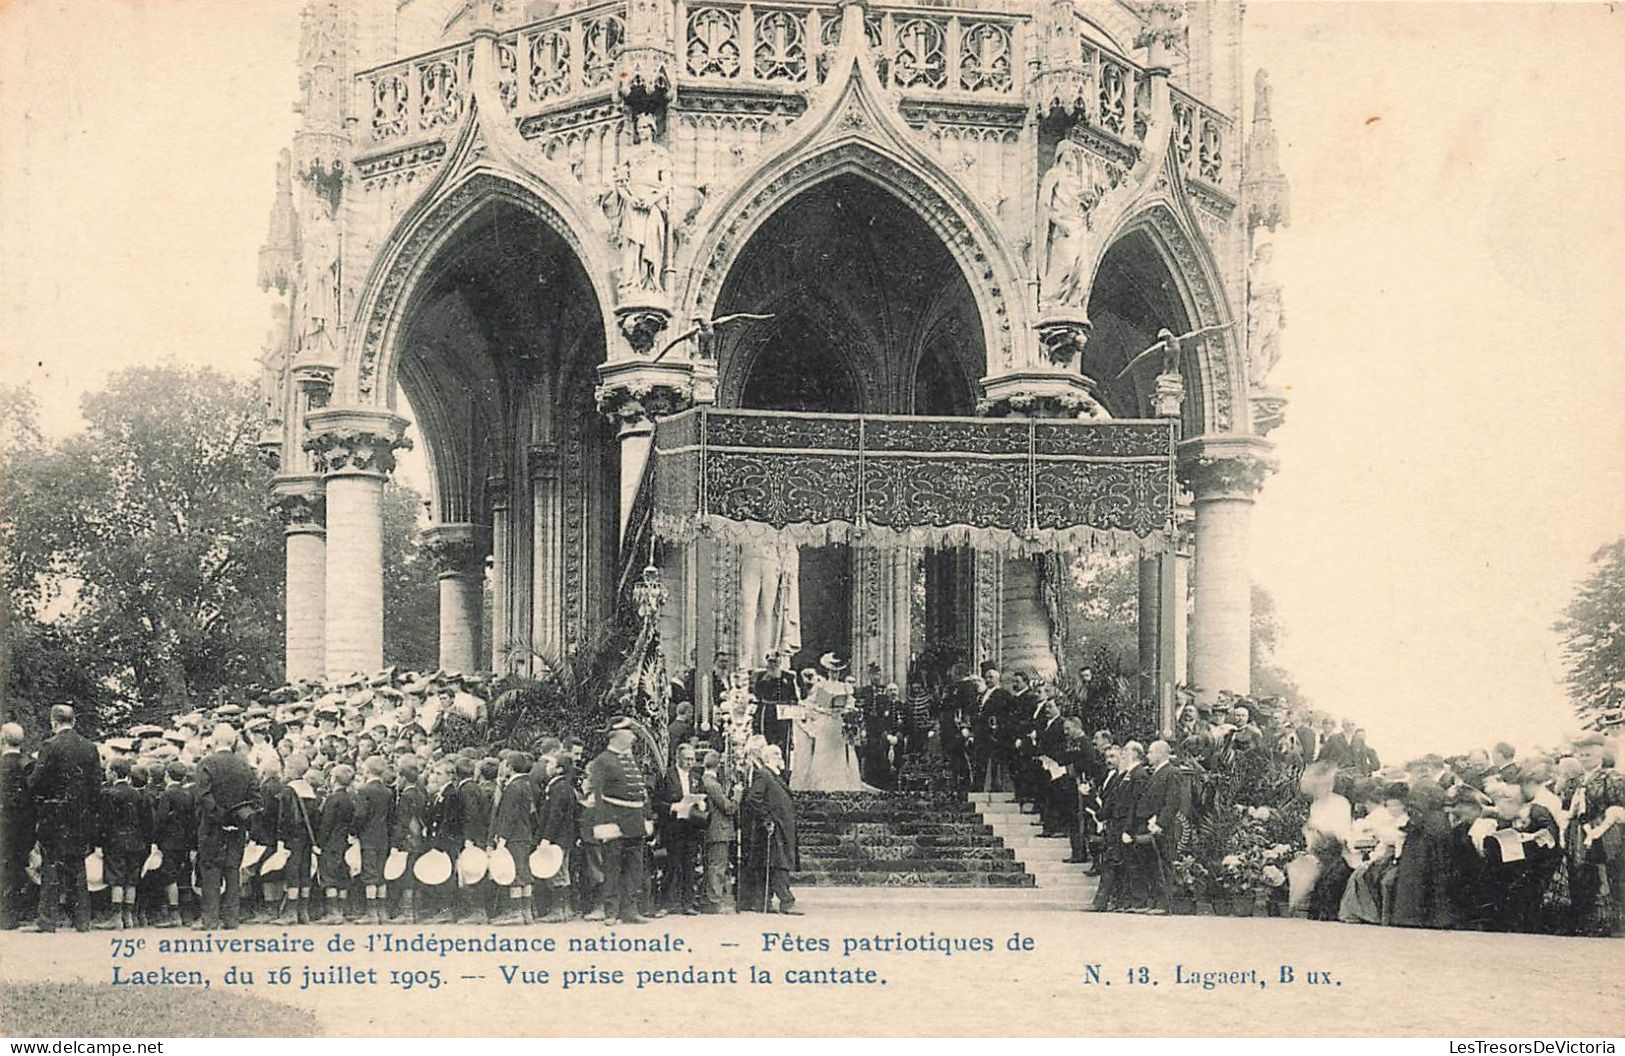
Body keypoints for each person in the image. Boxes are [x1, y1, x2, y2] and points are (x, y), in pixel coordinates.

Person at [28, 705, 102, 933]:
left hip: (55, 814)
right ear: (74, 721)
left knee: (51, 866)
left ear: (54, 722)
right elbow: (96, 786)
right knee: (77, 867)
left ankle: (48, 920)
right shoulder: (90, 748)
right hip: (80, 815)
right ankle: (82, 920)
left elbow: (35, 782)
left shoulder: (50, 746)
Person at [586, 718, 651, 926]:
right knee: (612, 868)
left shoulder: (630, 760)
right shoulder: (603, 760)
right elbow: (597, 794)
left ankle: (629, 910)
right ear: (615, 735)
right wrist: (604, 823)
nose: (632, 736)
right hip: (613, 819)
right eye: (628, 732)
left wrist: (646, 818)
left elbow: (641, 793)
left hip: (634, 819)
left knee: (634, 867)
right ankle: (611, 911)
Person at [194, 723, 258, 931]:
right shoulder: (244, 765)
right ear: (234, 742)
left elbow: (204, 797)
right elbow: (255, 799)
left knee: (211, 871)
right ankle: (231, 918)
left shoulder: (206, 763)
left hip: (212, 827)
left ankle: (210, 919)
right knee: (232, 871)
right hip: (237, 827)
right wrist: (237, 819)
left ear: (214, 741)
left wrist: (221, 818)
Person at [745, 744, 799, 915]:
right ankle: (786, 901)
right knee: (778, 865)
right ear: (767, 758)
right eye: (776, 754)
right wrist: (767, 819)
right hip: (774, 829)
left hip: (782, 829)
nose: (780, 756)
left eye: (780, 753)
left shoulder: (776, 776)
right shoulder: (763, 774)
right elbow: (754, 798)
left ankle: (763, 902)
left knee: (773, 864)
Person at [102, 756, 151, 930]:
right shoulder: (138, 794)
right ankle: (128, 916)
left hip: (115, 842)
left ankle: (116, 918)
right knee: (131, 880)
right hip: (136, 842)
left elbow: (104, 822)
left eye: (108, 771)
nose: (106, 774)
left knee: (116, 879)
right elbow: (146, 821)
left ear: (114, 773)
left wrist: (101, 842)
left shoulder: (108, 794)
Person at [656, 742, 704, 915]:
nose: (690, 762)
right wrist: (672, 807)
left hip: (691, 827)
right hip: (673, 827)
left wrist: (702, 804)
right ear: (678, 758)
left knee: (689, 866)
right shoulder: (667, 776)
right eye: (687, 759)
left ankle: (688, 903)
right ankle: (665, 904)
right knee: (671, 865)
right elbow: (657, 802)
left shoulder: (696, 776)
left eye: (693, 759)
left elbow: (704, 798)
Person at [490, 751, 536, 925]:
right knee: (525, 872)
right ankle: (527, 913)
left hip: (514, 836)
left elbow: (510, 815)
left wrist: (502, 837)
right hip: (524, 834)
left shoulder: (513, 787)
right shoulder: (524, 784)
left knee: (515, 873)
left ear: (509, 766)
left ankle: (516, 913)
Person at [152, 759, 197, 928]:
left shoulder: (167, 794)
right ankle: (187, 915)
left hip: (169, 842)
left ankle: (174, 913)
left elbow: (161, 820)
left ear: (167, 775)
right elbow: (193, 821)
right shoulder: (188, 794)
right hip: (185, 842)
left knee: (169, 877)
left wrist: (156, 841)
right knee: (184, 876)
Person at [0, 723, 34, 930]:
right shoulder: (29, 764)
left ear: (2, 739)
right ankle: (13, 914)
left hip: (3, 824)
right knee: (17, 868)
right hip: (23, 826)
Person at [316, 762, 358, 925]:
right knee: (342, 875)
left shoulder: (332, 799)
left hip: (331, 843)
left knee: (330, 877)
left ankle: (333, 913)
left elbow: (326, 824)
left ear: (333, 779)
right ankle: (342, 909)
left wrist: (319, 843)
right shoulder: (350, 798)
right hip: (344, 843)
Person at [698, 750, 738, 914]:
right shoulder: (712, 784)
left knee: (712, 865)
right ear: (719, 765)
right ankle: (714, 900)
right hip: (718, 830)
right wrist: (737, 796)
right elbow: (728, 808)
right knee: (717, 866)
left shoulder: (704, 781)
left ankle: (709, 899)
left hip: (711, 830)